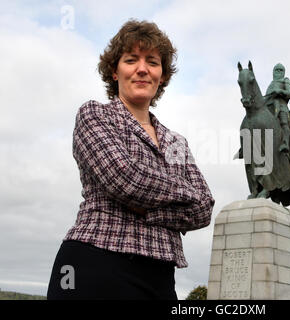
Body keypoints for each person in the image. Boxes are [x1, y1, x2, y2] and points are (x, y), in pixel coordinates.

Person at [47, 19, 215, 300]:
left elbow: (204, 209)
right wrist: (184, 195)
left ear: (162, 76)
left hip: (161, 275)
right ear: (114, 71)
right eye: (131, 59)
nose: (142, 69)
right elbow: (125, 178)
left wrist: (148, 210)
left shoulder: (176, 142)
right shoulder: (95, 115)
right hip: (95, 262)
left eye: (152, 62)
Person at [264, 63, 290, 153]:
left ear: (284, 72)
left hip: (281, 106)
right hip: (267, 106)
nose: (278, 72)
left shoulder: (285, 80)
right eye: (276, 70)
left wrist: (280, 91)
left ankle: (285, 143)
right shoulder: (271, 83)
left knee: (284, 122)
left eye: (280, 70)